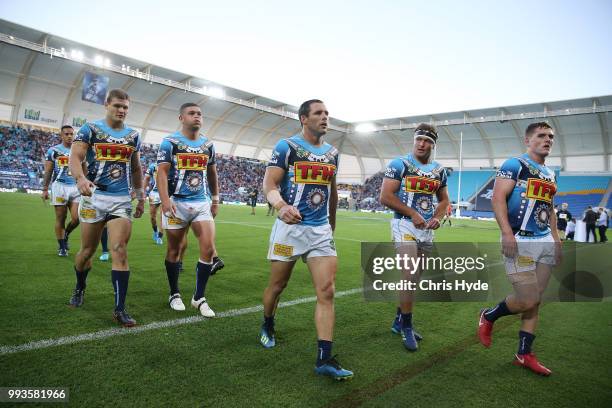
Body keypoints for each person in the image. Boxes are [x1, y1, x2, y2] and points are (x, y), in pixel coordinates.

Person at [259, 99, 352, 380]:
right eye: (318, 113)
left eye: (327, 113)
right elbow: (270, 184)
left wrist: (331, 225)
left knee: (327, 291)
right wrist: (281, 206)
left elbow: (332, 192)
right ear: (303, 118)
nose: (325, 117)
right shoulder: (286, 147)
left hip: (320, 232)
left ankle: (324, 357)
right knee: (278, 285)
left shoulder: (333, 153)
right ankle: (268, 323)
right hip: (290, 230)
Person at [477, 122, 560, 376]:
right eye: (541, 136)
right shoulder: (514, 165)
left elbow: (550, 207)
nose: (547, 140)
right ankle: (489, 316)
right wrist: (506, 232)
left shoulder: (550, 173)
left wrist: (556, 239)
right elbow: (497, 198)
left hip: (544, 240)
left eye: (550, 137)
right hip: (520, 239)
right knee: (527, 299)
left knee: (536, 301)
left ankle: (524, 354)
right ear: (528, 140)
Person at [68, 89, 145, 327]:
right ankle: (80, 286)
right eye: (117, 106)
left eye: (125, 107)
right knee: (87, 252)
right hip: (94, 196)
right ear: (107, 105)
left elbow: (135, 168)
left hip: (122, 199)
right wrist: (80, 179)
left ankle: (119, 309)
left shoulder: (133, 135)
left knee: (119, 249)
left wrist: (141, 196)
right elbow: (75, 156)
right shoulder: (90, 129)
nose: (121, 111)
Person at [379, 123, 449, 351]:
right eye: (419, 139)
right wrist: (412, 213)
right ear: (414, 140)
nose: (422, 144)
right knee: (409, 274)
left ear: (433, 144)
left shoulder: (439, 171)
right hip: (404, 224)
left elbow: (444, 201)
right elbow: (386, 196)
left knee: (415, 277)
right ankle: (407, 327)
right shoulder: (400, 164)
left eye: (427, 141)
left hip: (426, 229)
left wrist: (437, 218)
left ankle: (399, 320)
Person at [156, 102, 219, 316]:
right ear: (181, 117)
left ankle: (198, 297)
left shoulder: (208, 144)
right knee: (175, 250)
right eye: (192, 113)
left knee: (209, 249)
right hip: (177, 202)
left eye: (200, 113)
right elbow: (162, 173)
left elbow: (212, 173)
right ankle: (174, 293)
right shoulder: (170, 142)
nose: (197, 117)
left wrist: (216, 198)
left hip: (201, 202)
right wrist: (165, 200)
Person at [42, 125, 80, 256]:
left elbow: (85, 168)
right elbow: (48, 171)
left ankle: (67, 234)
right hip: (59, 187)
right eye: (67, 134)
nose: (70, 136)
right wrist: (45, 189)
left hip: (75, 187)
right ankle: (62, 247)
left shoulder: (79, 150)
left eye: (71, 134)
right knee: (61, 218)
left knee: (77, 218)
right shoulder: (53, 150)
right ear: (61, 135)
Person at [144, 162, 163, 244]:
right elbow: (146, 179)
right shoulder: (153, 166)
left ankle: (160, 236)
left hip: (166, 193)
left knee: (163, 216)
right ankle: (155, 231)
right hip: (154, 194)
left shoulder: (172, 164)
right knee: (152, 217)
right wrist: (143, 193)